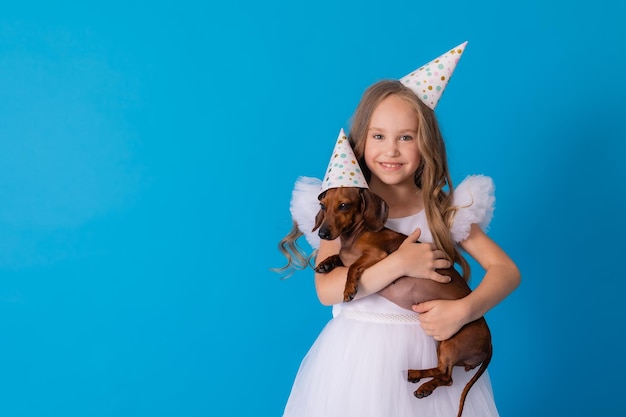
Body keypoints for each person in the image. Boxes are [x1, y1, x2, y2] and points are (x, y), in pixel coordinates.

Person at [276, 42, 521, 417]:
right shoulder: (343, 210)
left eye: (405, 137)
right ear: (361, 141)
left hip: (429, 350)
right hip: (357, 361)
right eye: (378, 136)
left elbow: (507, 271)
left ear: (425, 145)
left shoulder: (442, 209)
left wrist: (464, 311)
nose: (391, 150)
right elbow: (327, 290)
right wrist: (400, 264)